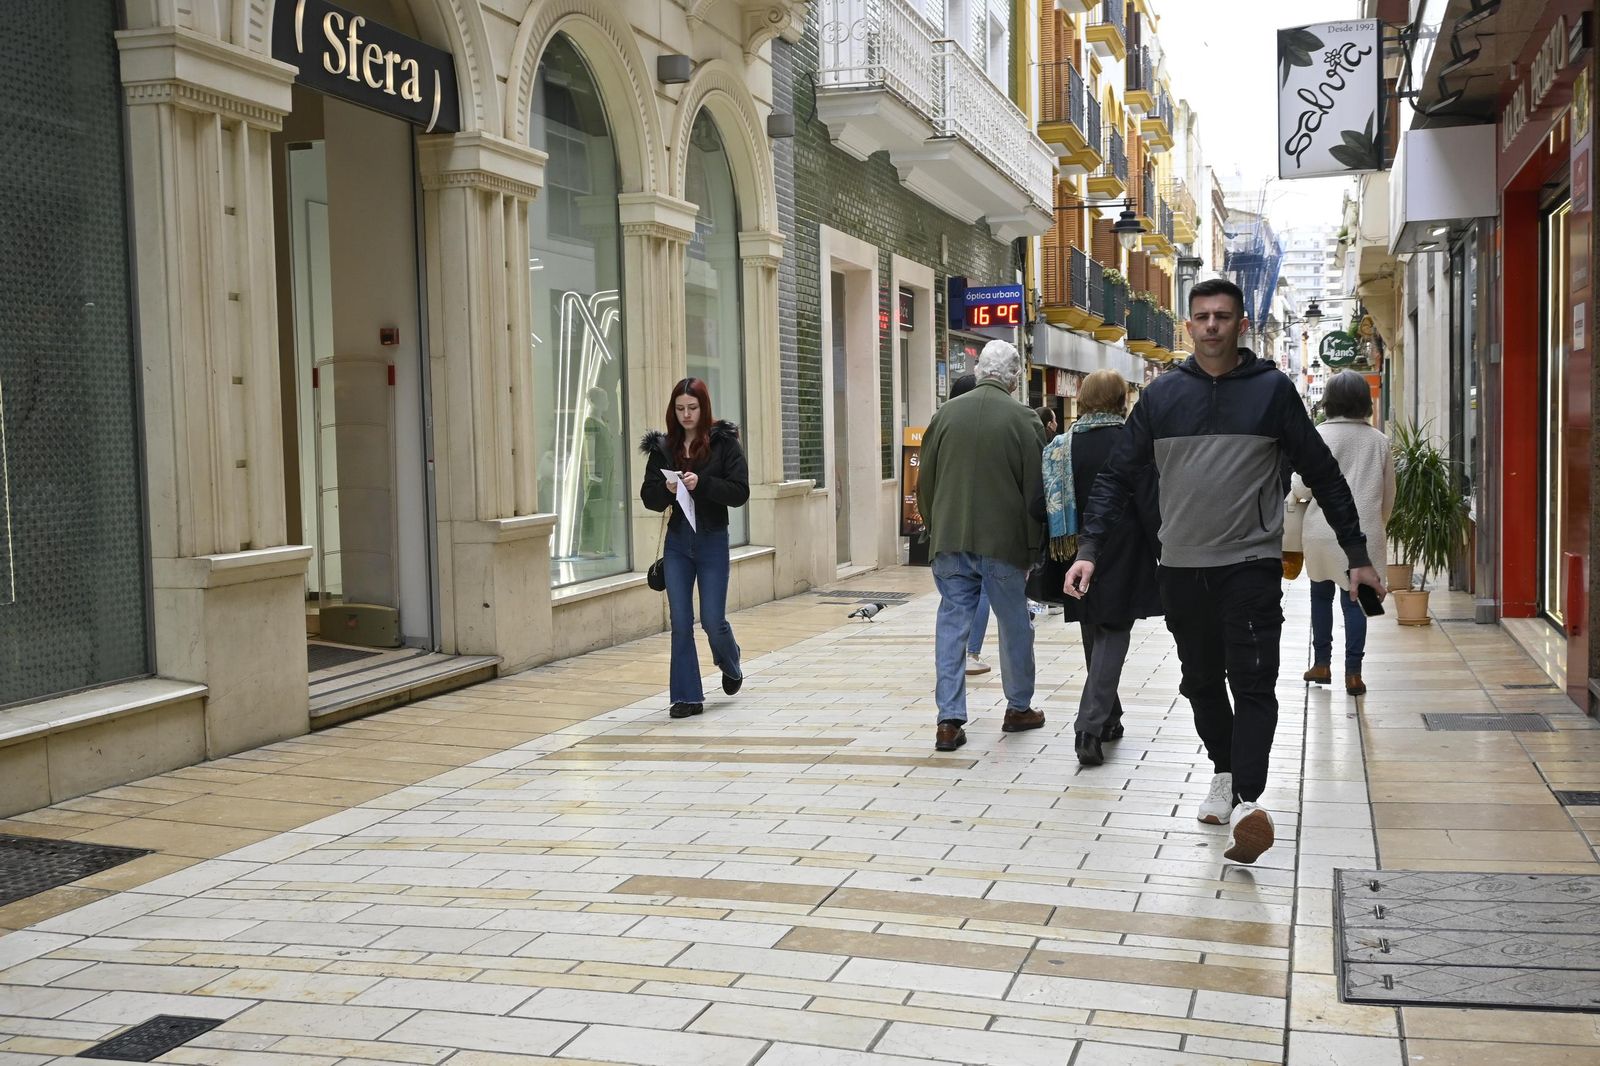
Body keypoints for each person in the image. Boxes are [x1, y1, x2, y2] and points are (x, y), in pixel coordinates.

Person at [1064, 278, 1385, 864]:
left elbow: (1325, 476)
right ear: (1188, 325)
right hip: (1181, 567)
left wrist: (1358, 557)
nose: (1211, 325)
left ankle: (1246, 803)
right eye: (1202, 316)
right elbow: (1115, 476)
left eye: (1222, 316)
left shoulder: (1272, 391)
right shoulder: (1162, 398)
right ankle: (1226, 771)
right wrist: (1089, 548)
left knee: (1254, 682)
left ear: (1240, 324)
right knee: (1200, 682)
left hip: (1250, 565)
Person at [916, 341, 1047, 752]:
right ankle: (1018, 707)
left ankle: (948, 720)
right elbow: (1036, 493)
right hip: (1003, 544)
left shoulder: (944, 415)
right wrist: (1034, 548)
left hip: (950, 540)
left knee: (952, 625)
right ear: (1012, 377)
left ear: (978, 370)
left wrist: (938, 528)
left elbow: (925, 485)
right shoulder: (1025, 420)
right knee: (1014, 625)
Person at [1045, 369, 1161, 767]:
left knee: (1095, 632)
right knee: (1112, 634)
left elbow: (1041, 503)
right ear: (1120, 400)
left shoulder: (1061, 445)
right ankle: (1090, 727)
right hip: (1123, 549)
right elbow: (1149, 498)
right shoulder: (1132, 440)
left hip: (1075, 550)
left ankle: (1109, 716)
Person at [640, 378, 749, 720]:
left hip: (712, 539)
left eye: (692, 407)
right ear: (673, 411)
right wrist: (668, 489)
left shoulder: (723, 444)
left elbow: (740, 491)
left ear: (704, 408)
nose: (686, 414)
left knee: (712, 620)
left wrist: (703, 484)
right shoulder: (663, 447)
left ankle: (731, 661)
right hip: (677, 544)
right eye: (680, 408)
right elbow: (648, 497)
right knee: (681, 621)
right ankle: (686, 696)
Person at [1289, 371, 1393, 697]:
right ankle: (1354, 674)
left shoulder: (1317, 435)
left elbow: (1302, 487)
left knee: (1320, 597)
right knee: (1356, 602)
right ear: (1364, 401)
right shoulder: (1379, 441)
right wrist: (1378, 526)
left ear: (1329, 401)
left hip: (1322, 531)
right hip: (1363, 536)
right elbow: (1388, 495)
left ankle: (1321, 664)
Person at [948, 372, 993, 677]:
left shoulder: (945, 426)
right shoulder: (982, 431)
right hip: (981, 525)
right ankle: (970, 652)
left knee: (956, 596)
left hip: (950, 527)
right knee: (983, 590)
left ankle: (956, 653)